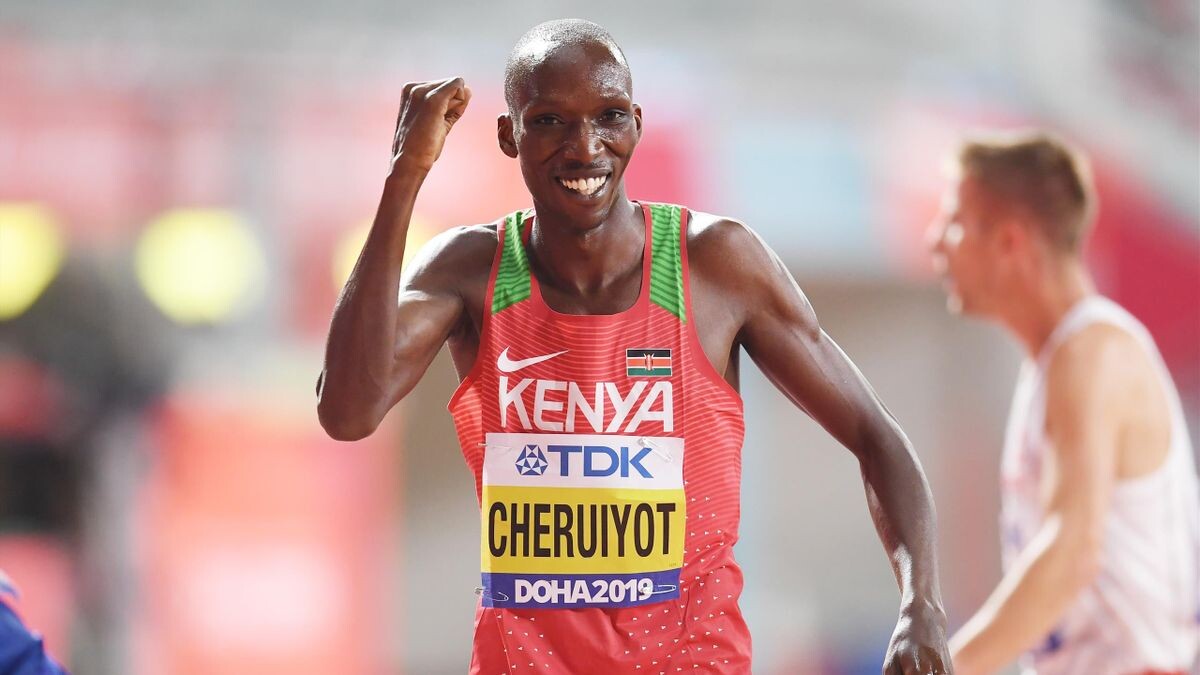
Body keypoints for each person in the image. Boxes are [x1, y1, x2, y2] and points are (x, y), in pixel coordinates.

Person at [319, 19, 950, 674]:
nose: (585, 147)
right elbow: (347, 411)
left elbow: (876, 434)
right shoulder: (472, 269)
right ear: (509, 135)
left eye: (609, 116)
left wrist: (921, 604)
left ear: (636, 124)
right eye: (550, 121)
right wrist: (405, 174)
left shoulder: (716, 264)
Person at [927, 130, 1200, 674]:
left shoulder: (1092, 353)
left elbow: (1072, 552)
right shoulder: (1052, 365)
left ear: (1010, 241)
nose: (935, 243)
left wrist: (946, 668)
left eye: (954, 222)